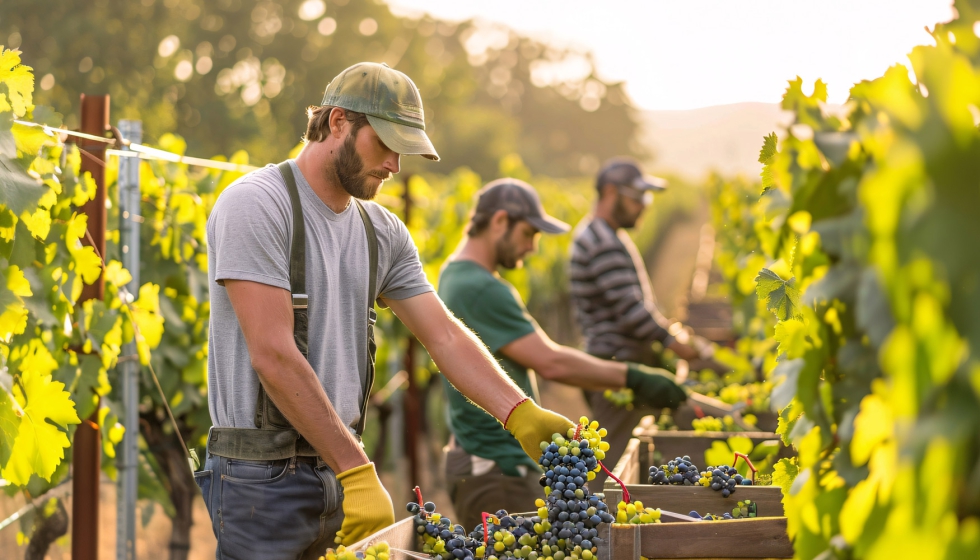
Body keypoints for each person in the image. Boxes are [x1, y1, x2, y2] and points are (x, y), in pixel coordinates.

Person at [198, 62, 574, 560]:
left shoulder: (382, 231)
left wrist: (519, 411)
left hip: (341, 470)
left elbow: (444, 336)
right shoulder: (258, 205)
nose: (395, 164)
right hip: (262, 482)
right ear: (338, 122)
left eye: (404, 150)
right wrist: (356, 470)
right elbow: (273, 354)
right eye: (385, 144)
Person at [437, 178, 691, 529]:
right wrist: (633, 377)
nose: (532, 247)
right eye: (528, 233)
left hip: (482, 459)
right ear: (499, 221)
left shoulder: (454, 274)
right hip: (498, 468)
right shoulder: (481, 287)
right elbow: (551, 361)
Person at [569, 157, 723, 486]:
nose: (644, 205)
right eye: (637, 197)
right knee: (611, 469)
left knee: (619, 460)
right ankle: (593, 517)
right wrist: (673, 342)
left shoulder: (604, 235)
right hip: (615, 369)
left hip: (616, 365)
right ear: (611, 193)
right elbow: (632, 312)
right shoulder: (602, 242)